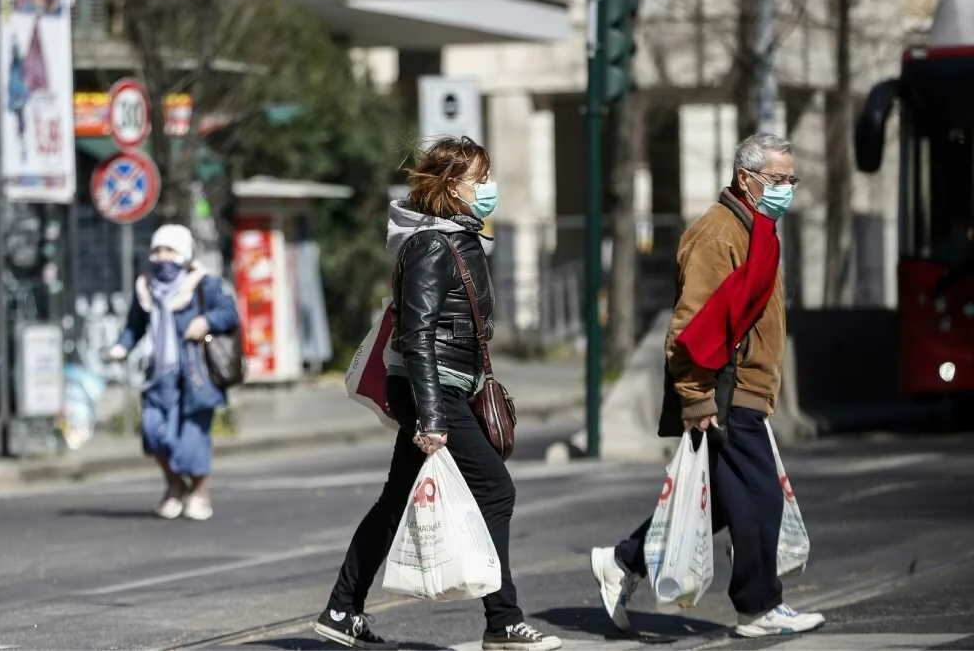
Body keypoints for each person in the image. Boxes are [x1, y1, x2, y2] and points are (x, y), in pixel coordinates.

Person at [314, 137, 563, 651]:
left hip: (444, 386)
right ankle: (503, 622)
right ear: (452, 187)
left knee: (396, 498)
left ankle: (342, 609)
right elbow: (418, 334)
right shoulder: (432, 245)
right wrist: (431, 417)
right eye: (480, 178)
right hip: (435, 389)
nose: (488, 188)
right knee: (496, 490)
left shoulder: (453, 237)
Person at [590, 133, 826, 638]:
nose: (787, 189)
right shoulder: (719, 235)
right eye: (778, 180)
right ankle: (758, 607)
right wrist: (696, 397)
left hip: (745, 389)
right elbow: (690, 324)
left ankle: (623, 562)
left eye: (791, 179)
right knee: (761, 497)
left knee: (724, 498)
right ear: (746, 179)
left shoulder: (755, 230)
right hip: (725, 389)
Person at [108, 224, 239, 521]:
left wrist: (205, 322)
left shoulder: (204, 285)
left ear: (184, 253)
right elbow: (134, 325)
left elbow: (229, 313)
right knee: (153, 434)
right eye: (157, 250)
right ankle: (174, 486)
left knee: (192, 441)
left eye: (169, 250)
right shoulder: (146, 288)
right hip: (158, 376)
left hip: (196, 375)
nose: (162, 257)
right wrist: (121, 347)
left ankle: (199, 493)